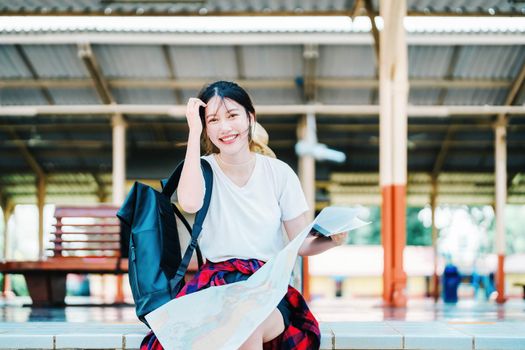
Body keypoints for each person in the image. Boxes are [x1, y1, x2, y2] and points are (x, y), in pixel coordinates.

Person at [141, 81, 347, 350]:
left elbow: (301, 243)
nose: (225, 127)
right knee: (237, 321)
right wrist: (193, 133)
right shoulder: (203, 169)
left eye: (232, 115)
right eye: (213, 120)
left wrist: (332, 240)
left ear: (250, 118)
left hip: (267, 287)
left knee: (246, 321)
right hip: (215, 286)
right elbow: (189, 203)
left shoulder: (279, 173)